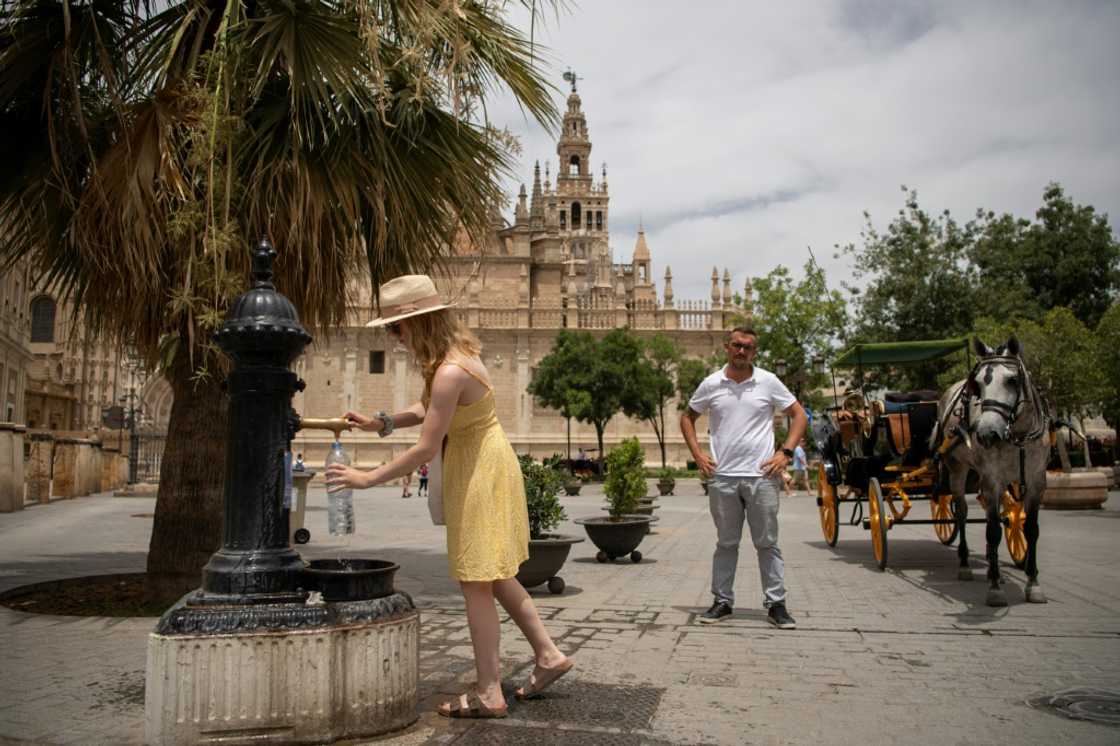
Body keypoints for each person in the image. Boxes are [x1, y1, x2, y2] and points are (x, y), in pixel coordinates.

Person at [325, 274, 571, 718]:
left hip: (480, 472)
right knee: (493, 574)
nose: (392, 338)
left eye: (395, 329)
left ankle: (488, 692)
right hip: (483, 464)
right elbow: (427, 409)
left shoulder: (449, 371)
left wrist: (367, 477)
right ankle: (548, 655)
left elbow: (425, 445)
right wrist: (382, 422)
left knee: (475, 582)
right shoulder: (457, 360)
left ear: (416, 324)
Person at [679, 326, 807, 630]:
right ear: (727, 347)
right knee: (726, 543)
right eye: (736, 345)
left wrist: (785, 452)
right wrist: (697, 454)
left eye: (747, 347)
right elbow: (687, 416)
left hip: (761, 476)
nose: (741, 351)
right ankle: (722, 602)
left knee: (767, 543)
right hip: (723, 477)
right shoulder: (712, 383)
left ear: (754, 352)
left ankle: (776, 604)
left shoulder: (768, 381)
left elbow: (799, 415)